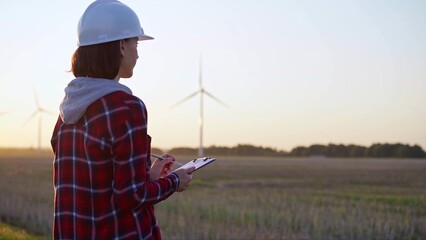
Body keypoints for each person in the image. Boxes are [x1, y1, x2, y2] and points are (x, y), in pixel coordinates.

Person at [50, 0, 195, 239]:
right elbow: (132, 197)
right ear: (121, 46)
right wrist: (174, 181)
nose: (138, 53)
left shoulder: (66, 112)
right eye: (135, 43)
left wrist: (146, 177)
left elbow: (99, 187)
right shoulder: (126, 108)